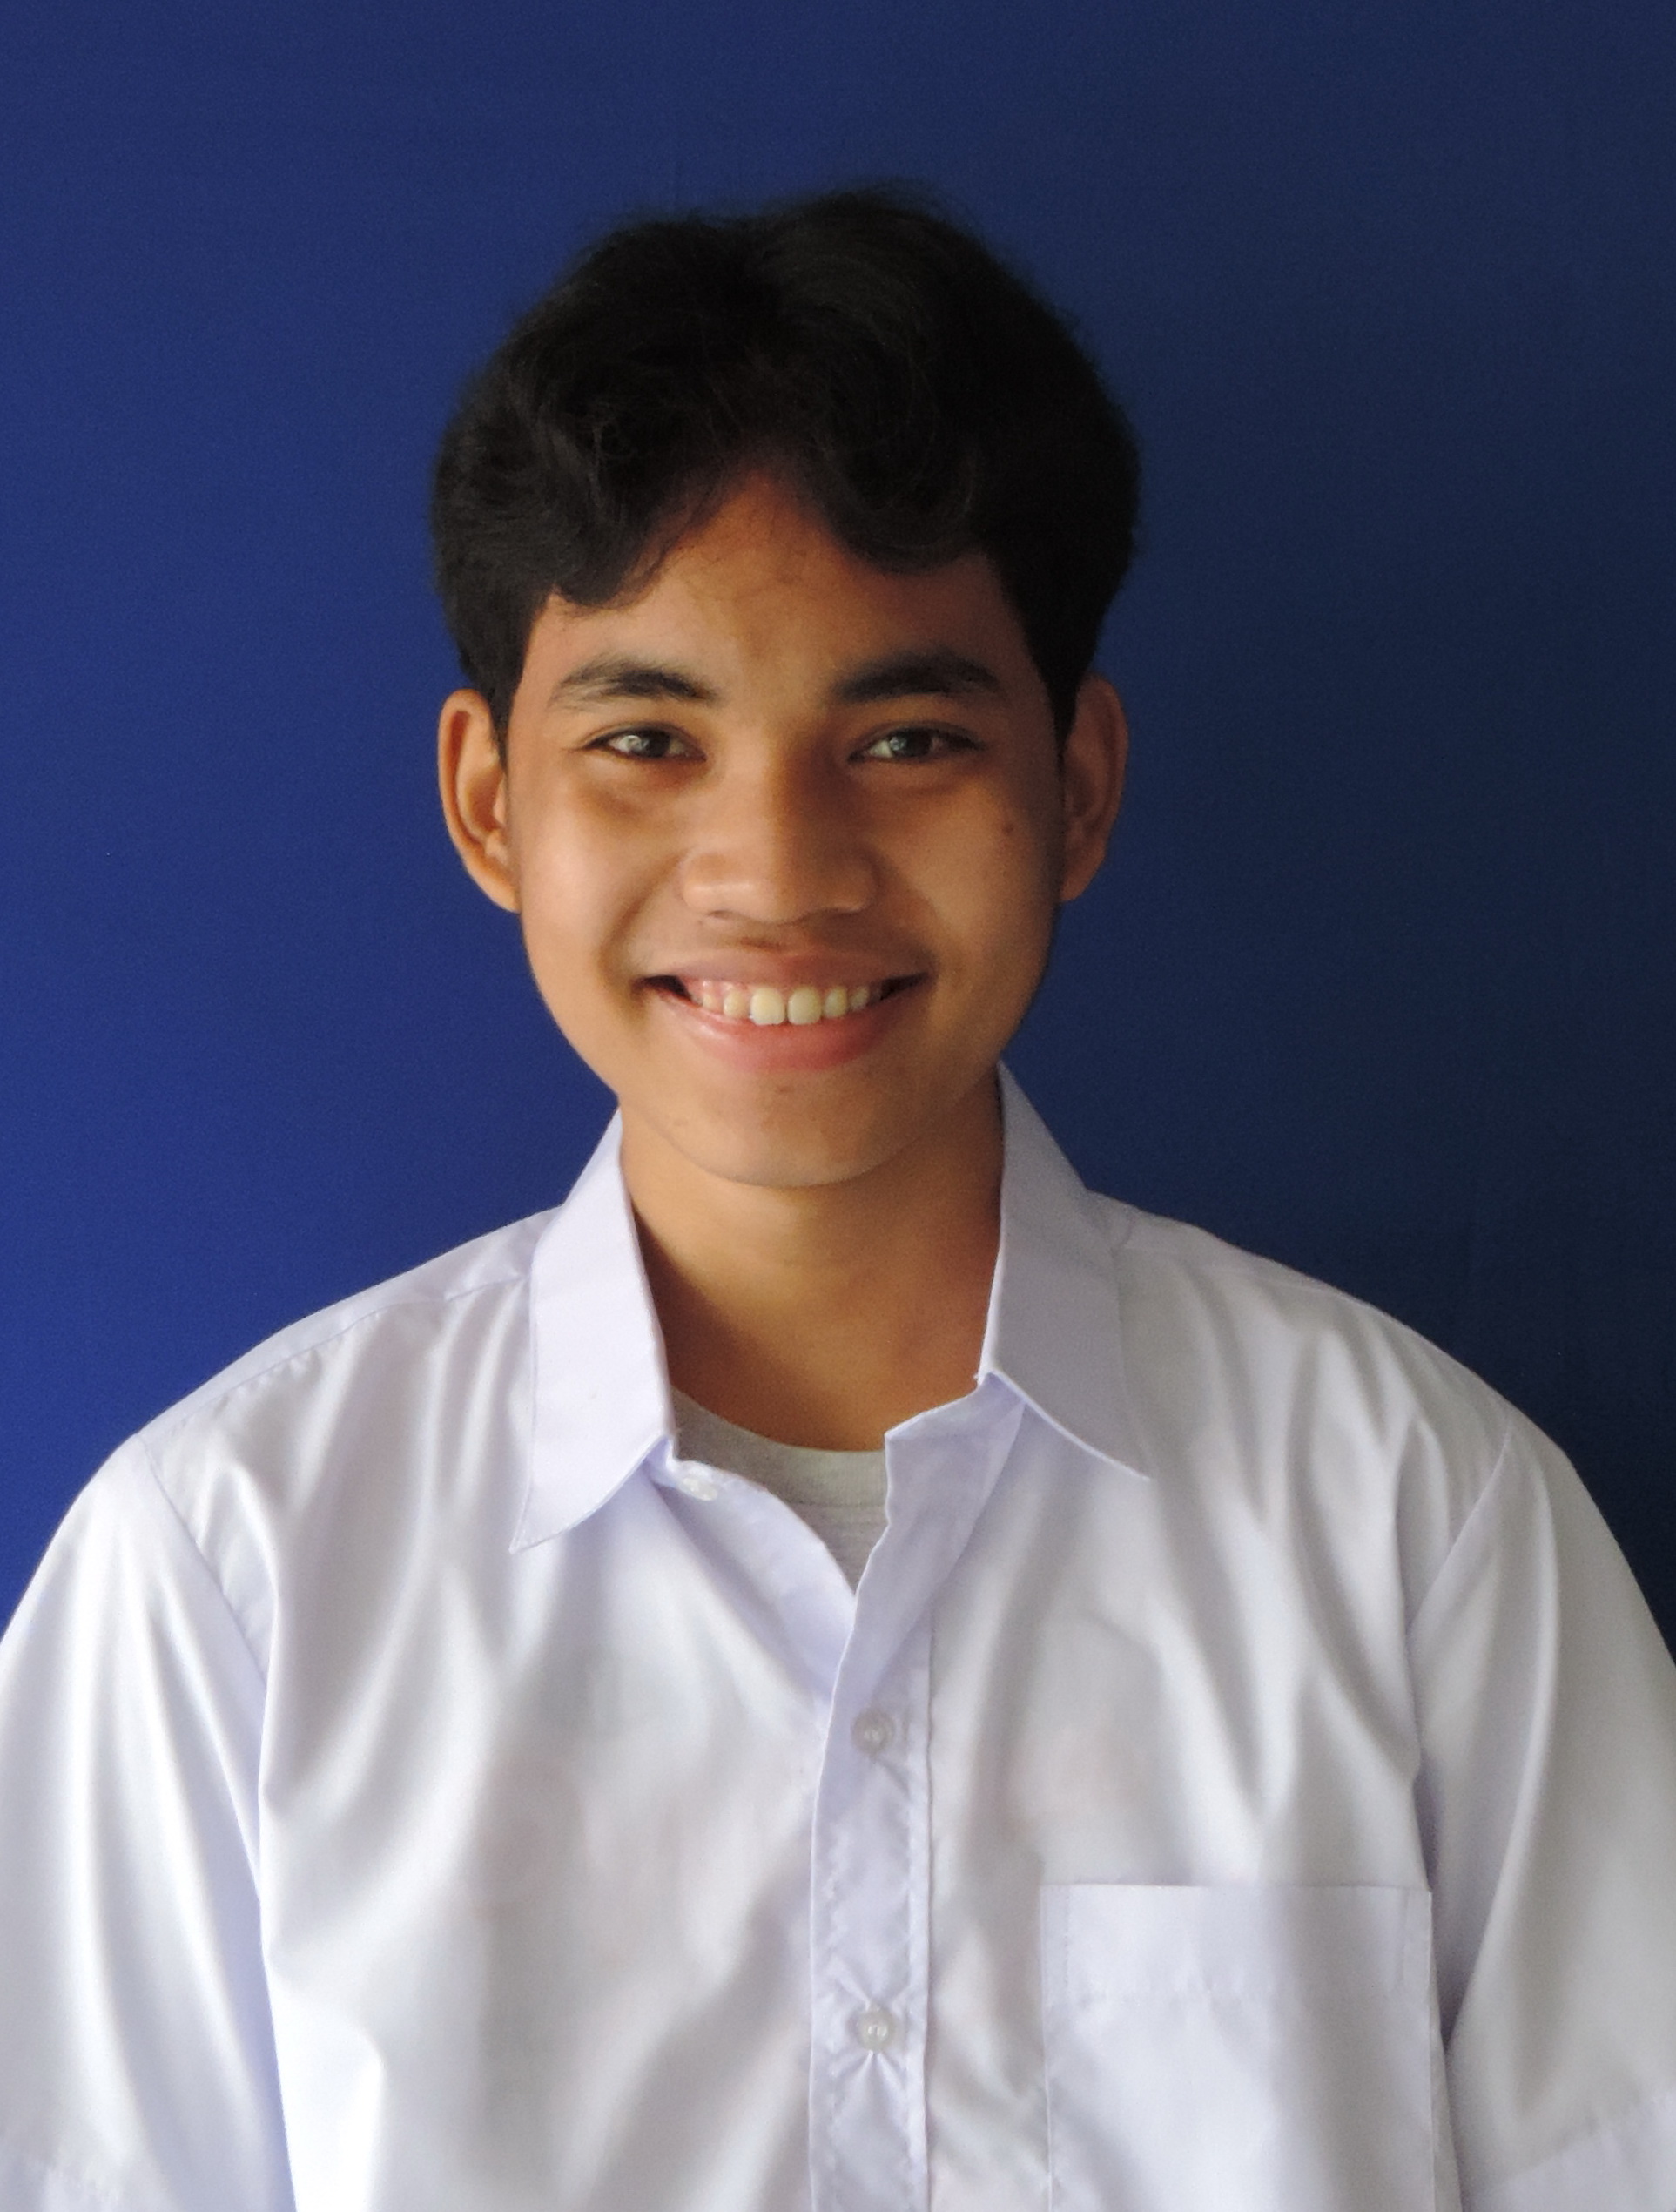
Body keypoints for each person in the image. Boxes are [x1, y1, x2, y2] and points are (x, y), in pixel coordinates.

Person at [1, 186, 1673, 2212]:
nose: (779, 872)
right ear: (489, 802)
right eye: (648, 739)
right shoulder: (226, 1576)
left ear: (1076, 785)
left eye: (903, 737)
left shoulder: (1422, 1528)